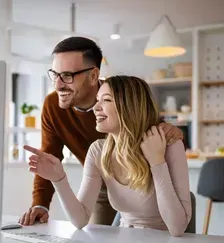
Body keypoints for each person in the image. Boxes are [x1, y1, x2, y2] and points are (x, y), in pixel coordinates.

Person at [18, 36, 183, 226]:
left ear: (94, 75)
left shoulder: (119, 96)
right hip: (100, 185)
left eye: (68, 76)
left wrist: (171, 133)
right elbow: (48, 158)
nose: (58, 84)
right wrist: (40, 204)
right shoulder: (53, 106)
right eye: (55, 75)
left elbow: (158, 132)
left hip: (141, 186)